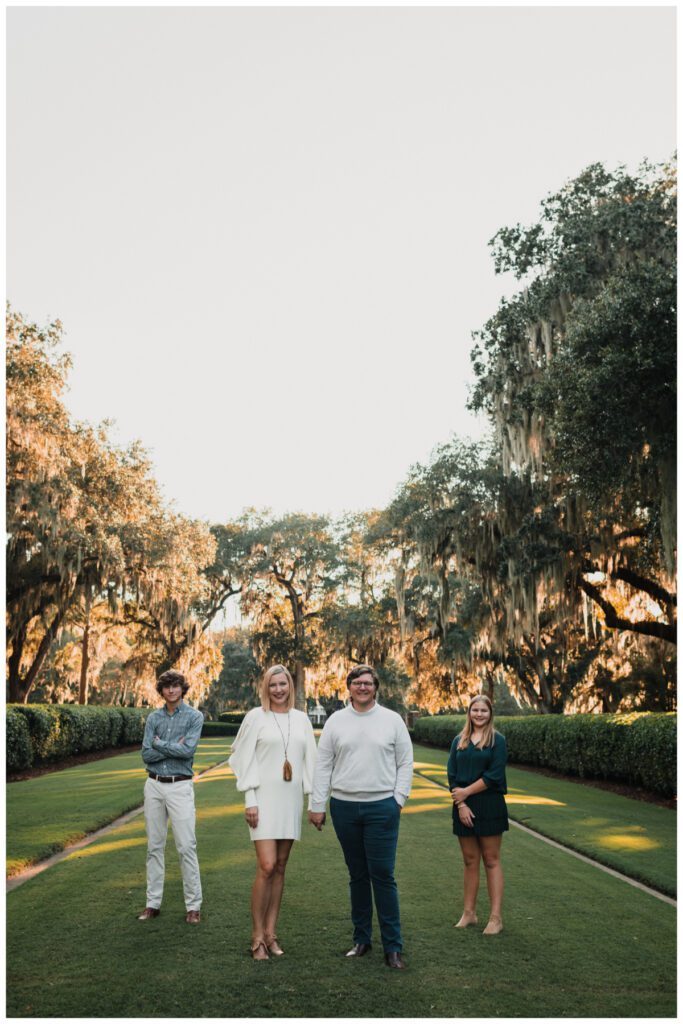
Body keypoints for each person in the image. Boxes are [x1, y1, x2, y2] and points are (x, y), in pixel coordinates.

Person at [308, 665, 413, 970]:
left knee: (382, 875)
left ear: (375, 687)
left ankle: (393, 947)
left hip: (382, 807)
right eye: (357, 683)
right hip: (344, 807)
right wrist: (317, 805)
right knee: (357, 875)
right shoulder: (336, 721)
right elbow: (323, 765)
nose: (363, 687)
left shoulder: (392, 720)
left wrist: (398, 799)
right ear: (349, 687)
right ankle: (362, 939)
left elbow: (405, 763)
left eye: (368, 683)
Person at [229, 664, 317, 960]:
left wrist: (314, 801)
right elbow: (241, 758)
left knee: (280, 867)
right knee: (266, 866)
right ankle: (256, 938)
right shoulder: (256, 717)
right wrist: (249, 798)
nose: (278, 690)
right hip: (263, 800)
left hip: (290, 800)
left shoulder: (302, 719)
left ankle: (271, 933)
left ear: (290, 686)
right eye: (273, 685)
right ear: (265, 688)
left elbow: (311, 762)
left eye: (283, 684)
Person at [138, 669, 204, 924]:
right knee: (154, 846)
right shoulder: (153, 718)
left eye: (176, 686)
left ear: (182, 688)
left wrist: (159, 745)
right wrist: (171, 747)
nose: (171, 690)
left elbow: (187, 752)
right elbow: (146, 754)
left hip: (180, 786)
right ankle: (152, 903)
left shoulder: (194, 717)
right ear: (162, 690)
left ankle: (193, 907)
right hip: (153, 785)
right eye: (167, 687)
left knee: (186, 846)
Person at [447, 694, 508, 935]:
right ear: (469, 713)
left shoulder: (497, 740)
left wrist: (465, 794)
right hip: (463, 807)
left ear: (490, 713)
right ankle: (469, 913)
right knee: (470, 860)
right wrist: (461, 804)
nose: (479, 714)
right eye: (475, 710)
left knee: (491, 860)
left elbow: (494, 775)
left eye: (484, 710)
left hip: (489, 804)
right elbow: (451, 774)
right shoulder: (459, 741)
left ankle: (495, 918)